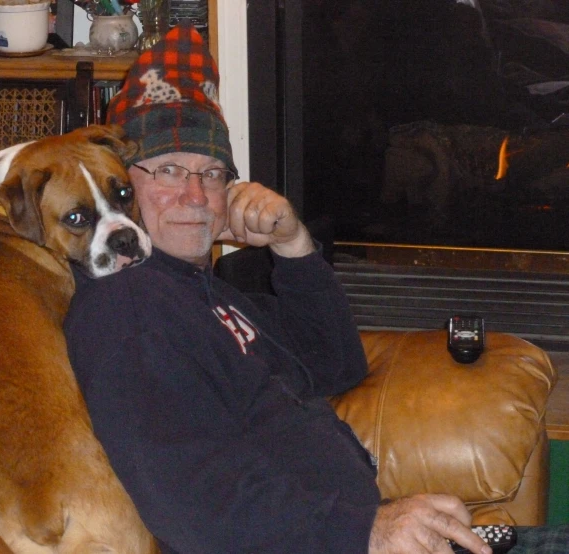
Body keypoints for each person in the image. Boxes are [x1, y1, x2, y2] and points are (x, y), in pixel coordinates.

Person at [62, 21, 501, 554]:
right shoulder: (130, 306)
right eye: (170, 170)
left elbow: (336, 362)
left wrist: (292, 244)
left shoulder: (206, 296)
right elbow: (193, 502)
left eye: (213, 174)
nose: (195, 195)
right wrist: (368, 532)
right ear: (122, 186)